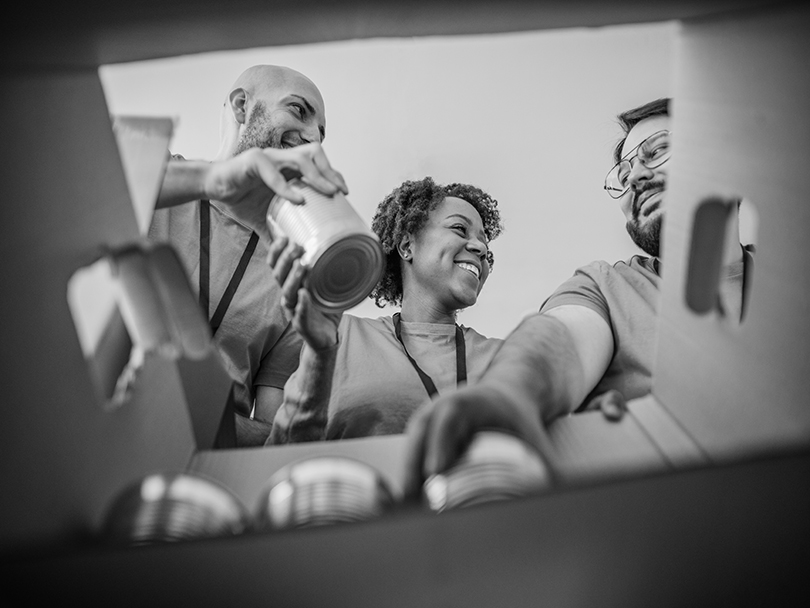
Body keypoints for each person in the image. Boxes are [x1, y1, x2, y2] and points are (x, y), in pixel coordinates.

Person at [402, 97, 754, 497]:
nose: (635, 176)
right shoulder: (606, 287)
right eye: (622, 172)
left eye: (657, 151)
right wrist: (510, 393)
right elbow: (560, 339)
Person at [148, 64, 348, 446]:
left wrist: (323, 354)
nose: (312, 139)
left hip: (209, 475)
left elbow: (278, 441)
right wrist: (212, 180)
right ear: (242, 106)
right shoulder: (157, 178)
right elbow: (67, 192)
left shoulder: (292, 271)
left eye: (321, 133)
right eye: (298, 110)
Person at [264, 176, 504, 443]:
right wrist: (320, 356)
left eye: (485, 243)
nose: (480, 248)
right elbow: (284, 451)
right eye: (459, 228)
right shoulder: (340, 336)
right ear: (406, 246)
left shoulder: (505, 356)